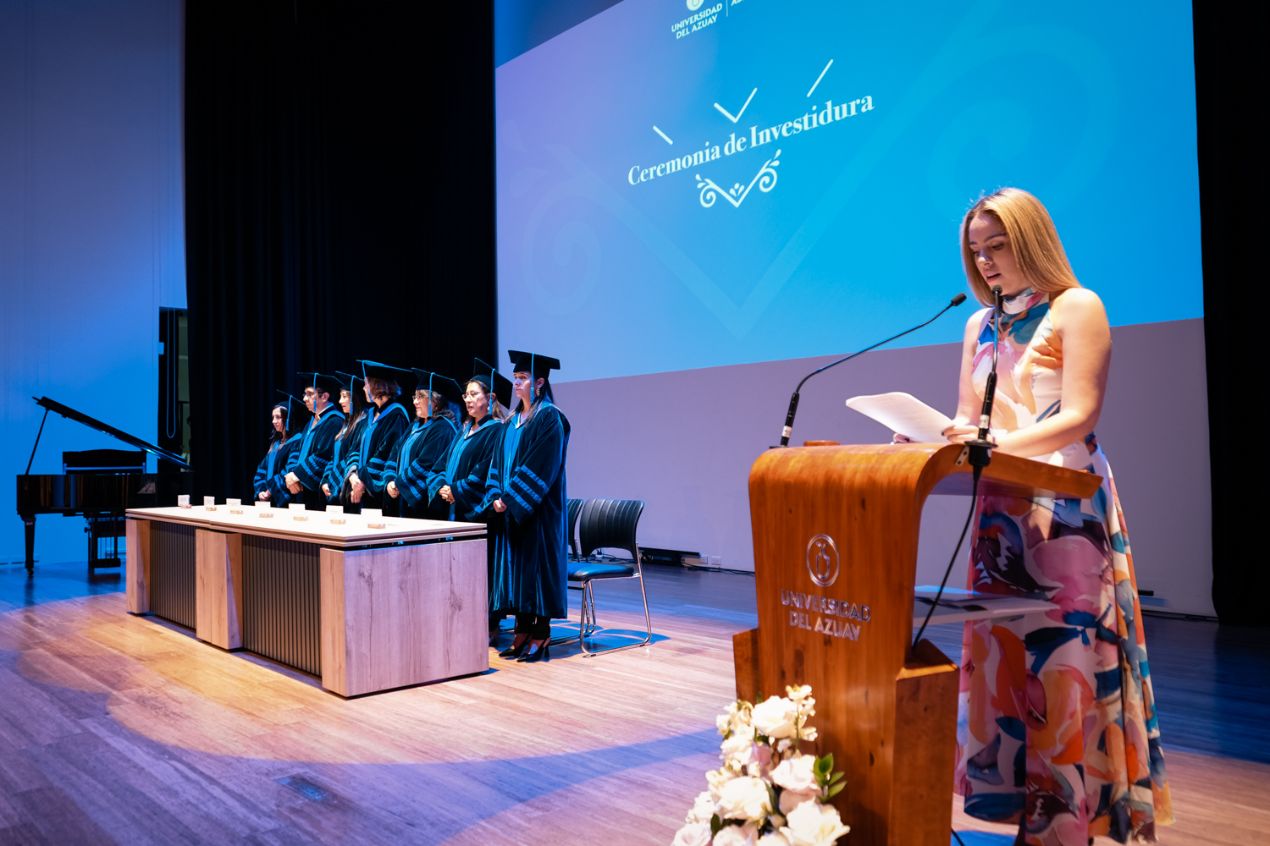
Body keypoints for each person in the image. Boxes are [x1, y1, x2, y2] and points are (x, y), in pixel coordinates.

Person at [944, 188, 1171, 844]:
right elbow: (968, 417)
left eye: (998, 245)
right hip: (1002, 512)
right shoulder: (979, 325)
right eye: (976, 250)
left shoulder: (1077, 307)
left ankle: (1066, 824)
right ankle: (1021, 817)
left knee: (1063, 661)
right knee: (1004, 662)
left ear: (1032, 240)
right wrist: (934, 438)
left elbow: (1079, 415)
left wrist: (994, 443)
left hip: (1065, 510)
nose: (986, 261)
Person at [484, 350, 570, 664]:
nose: (517, 383)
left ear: (540, 383)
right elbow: (496, 464)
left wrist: (509, 499)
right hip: (512, 512)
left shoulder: (549, 418)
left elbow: (542, 466)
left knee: (537, 572)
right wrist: (496, 495)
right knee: (517, 572)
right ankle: (521, 630)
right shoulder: (510, 422)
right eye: (516, 378)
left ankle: (541, 632)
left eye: (523, 378)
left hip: (539, 513)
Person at [434, 359, 510, 636]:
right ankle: (463, 620)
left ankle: (488, 623)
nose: (467, 399)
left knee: (481, 570)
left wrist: (457, 490)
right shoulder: (464, 430)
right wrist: (443, 486)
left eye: (474, 394)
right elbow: (444, 463)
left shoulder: (497, 430)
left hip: (479, 513)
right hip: (456, 511)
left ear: (491, 398)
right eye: (466, 395)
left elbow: (485, 470)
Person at [385, 370, 461, 519]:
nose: (415, 401)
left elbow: (426, 463)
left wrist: (398, 484)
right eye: (415, 396)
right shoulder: (414, 426)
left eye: (421, 396)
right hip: (402, 500)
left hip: (425, 507)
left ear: (435, 401)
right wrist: (389, 481)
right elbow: (394, 454)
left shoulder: (443, 428)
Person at [284, 372, 345, 509]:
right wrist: (292, 474)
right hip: (301, 488)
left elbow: (324, 455)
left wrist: (297, 475)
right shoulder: (311, 422)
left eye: (310, 394)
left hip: (318, 492)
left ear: (324, 397)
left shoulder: (335, 421)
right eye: (304, 394)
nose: (304, 398)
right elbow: (297, 450)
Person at [322, 371, 369, 510]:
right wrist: (326, 480)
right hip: (336, 488)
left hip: (350, 490)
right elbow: (333, 458)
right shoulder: (345, 424)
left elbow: (353, 457)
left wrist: (335, 480)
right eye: (340, 396)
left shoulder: (363, 423)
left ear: (355, 398)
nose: (340, 401)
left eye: (344, 396)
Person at [253, 395, 303, 505]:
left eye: (278, 417)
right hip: (270, 498)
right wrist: (261, 491)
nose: (273, 421)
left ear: (288, 418)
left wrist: (271, 490)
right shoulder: (276, 444)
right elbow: (262, 469)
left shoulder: (297, 441)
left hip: (288, 499)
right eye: (273, 417)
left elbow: (290, 470)